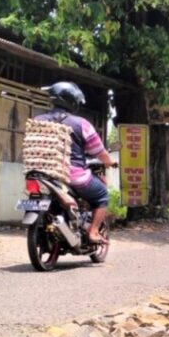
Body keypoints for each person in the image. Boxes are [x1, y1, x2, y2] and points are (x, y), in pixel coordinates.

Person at [34, 82, 117, 244]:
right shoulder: (81, 124)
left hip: (41, 174)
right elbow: (99, 152)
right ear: (72, 102)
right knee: (102, 194)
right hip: (71, 176)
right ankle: (93, 232)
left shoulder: (37, 120)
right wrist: (109, 162)